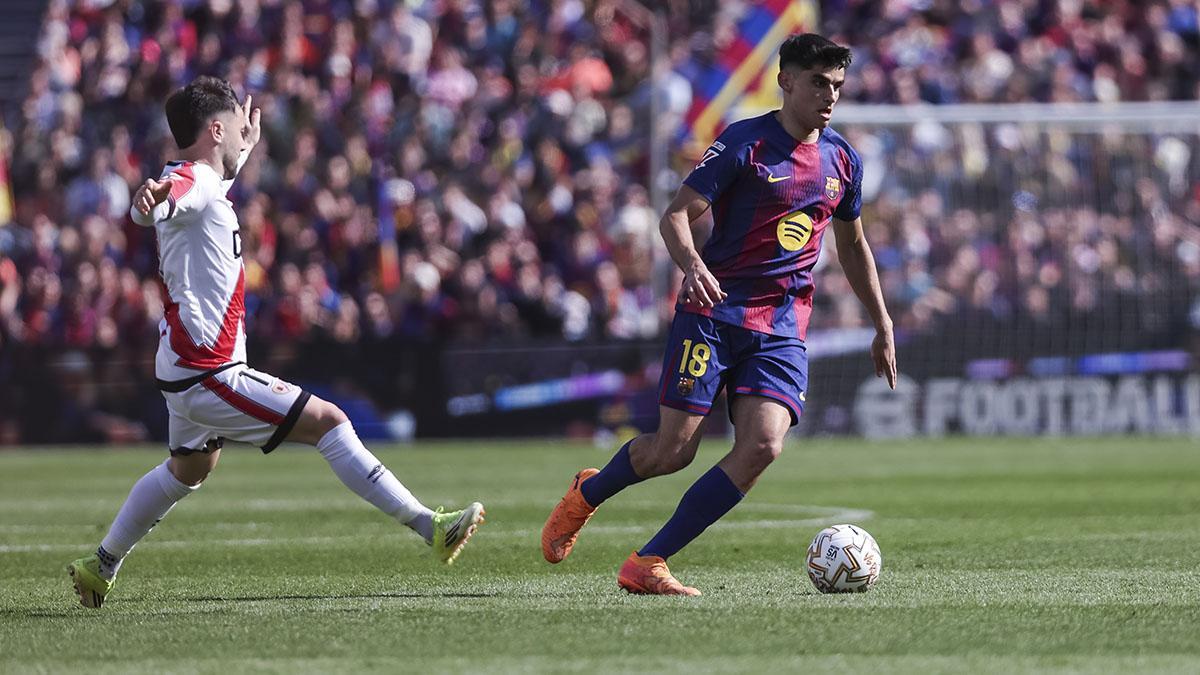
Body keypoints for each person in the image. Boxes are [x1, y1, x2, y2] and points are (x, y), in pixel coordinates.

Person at [67, 76, 485, 609]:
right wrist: (151, 201)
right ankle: (431, 526)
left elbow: (198, 189)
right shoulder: (189, 181)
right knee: (330, 422)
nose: (248, 132)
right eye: (239, 127)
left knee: (191, 468)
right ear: (216, 129)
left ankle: (100, 565)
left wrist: (236, 157)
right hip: (209, 372)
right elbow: (172, 196)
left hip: (184, 364)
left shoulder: (207, 181)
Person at [541, 34, 897, 595]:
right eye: (818, 83)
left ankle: (648, 561)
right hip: (714, 311)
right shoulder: (744, 143)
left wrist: (882, 321)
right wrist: (692, 265)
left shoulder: (842, 160)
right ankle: (587, 493)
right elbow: (676, 216)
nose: (830, 97)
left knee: (763, 446)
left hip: (781, 325)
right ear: (786, 81)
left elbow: (853, 246)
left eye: (838, 86)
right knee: (671, 451)